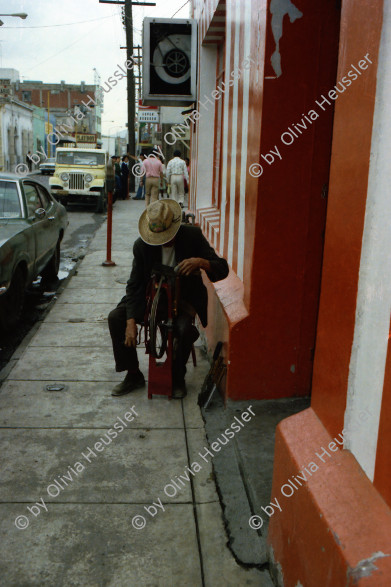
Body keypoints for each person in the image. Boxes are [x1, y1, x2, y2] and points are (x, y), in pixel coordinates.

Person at [108, 199, 229, 399]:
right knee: (116, 318)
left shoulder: (192, 236)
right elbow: (135, 284)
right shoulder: (142, 246)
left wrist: (202, 262)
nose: (163, 241)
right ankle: (133, 374)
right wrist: (131, 321)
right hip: (152, 296)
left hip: (184, 297)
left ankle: (177, 376)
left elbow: (222, 268)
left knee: (183, 329)